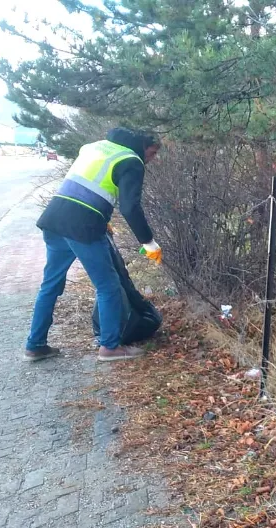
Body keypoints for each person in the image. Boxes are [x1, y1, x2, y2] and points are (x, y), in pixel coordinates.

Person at [24, 128, 163, 362]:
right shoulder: (131, 160)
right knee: (108, 285)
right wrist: (149, 242)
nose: (152, 158)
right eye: (153, 152)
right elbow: (130, 208)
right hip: (82, 226)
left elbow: (90, 187)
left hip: (55, 219)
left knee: (50, 285)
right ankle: (109, 347)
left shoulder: (96, 146)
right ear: (142, 145)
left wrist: (104, 219)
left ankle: (35, 345)